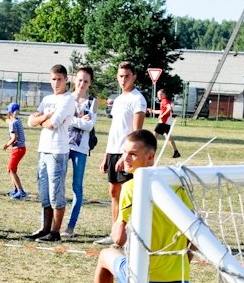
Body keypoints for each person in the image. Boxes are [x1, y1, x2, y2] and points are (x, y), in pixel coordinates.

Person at [75, 129, 201, 283]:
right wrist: (186, 259)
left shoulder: (132, 187)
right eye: (124, 153)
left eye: (132, 154)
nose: (125, 159)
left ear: (150, 157)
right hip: (176, 276)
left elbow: (118, 239)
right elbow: (195, 235)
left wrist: (118, 223)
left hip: (143, 276)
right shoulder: (175, 183)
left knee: (105, 255)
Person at [96, 62, 146, 245]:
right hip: (113, 152)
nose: (123, 79)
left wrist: (126, 155)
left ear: (134, 77)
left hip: (127, 154)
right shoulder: (117, 100)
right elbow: (114, 130)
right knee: (113, 192)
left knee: (128, 194)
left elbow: (136, 133)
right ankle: (115, 233)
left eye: (126, 76)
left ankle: (130, 234)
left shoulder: (137, 99)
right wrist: (106, 156)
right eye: (120, 76)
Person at [25, 65, 76, 242]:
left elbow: (52, 124)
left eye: (59, 79)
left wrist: (43, 119)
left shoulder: (68, 99)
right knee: (44, 192)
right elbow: (31, 121)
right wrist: (44, 118)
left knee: (56, 193)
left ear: (66, 79)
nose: (56, 83)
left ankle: (55, 231)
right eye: (53, 79)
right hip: (43, 149)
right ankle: (44, 228)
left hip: (58, 150)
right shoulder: (47, 99)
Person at [63, 66, 97, 238]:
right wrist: (78, 120)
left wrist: (72, 120)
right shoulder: (66, 98)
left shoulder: (92, 102)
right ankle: (53, 223)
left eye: (86, 81)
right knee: (57, 185)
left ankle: (70, 226)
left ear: (90, 83)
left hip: (81, 149)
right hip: (62, 146)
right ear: (74, 79)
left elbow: (89, 125)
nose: (82, 83)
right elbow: (63, 119)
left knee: (77, 187)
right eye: (80, 79)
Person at [3, 103, 27, 199]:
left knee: (11, 169)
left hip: (17, 149)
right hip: (22, 148)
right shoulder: (18, 121)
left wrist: (6, 145)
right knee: (11, 169)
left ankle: (21, 191)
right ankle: (16, 189)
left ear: (9, 112)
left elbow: (14, 138)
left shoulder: (13, 124)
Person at [154, 89, 180, 158]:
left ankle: (149, 152)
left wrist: (162, 115)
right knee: (168, 137)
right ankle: (176, 152)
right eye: (157, 94)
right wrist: (152, 111)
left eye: (159, 94)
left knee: (153, 137)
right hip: (167, 123)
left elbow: (169, 108)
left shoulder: (164, 100)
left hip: (163, 122)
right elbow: (162, 111)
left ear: (164, 94)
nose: (158, 96)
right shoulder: (164, 101)